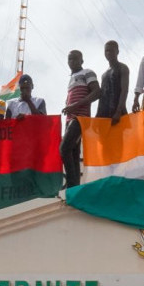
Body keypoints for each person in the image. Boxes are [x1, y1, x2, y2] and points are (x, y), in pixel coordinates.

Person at [62, 50, 102, 189]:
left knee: (64, 148)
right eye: (69, 59)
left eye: (75, 58)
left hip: (80, 118)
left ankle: (71, 184)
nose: (72, 61)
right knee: (73, 152)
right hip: (69, 118)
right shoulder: (71, 78)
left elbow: (97, 92)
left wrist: (75, 105)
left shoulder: (87, 72)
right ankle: (75, 187)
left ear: (81, 60)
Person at [96, 41, 130, 121]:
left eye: (111, 50)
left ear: (117, 52)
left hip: (117, 112)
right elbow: (102, 96)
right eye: (106, 51)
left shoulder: (122, 67)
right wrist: (98, 114)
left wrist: (118, 111)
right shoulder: (104, 75)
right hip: (103, 114)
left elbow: (124, 90)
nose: (108, 53)